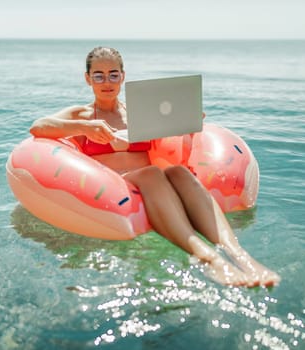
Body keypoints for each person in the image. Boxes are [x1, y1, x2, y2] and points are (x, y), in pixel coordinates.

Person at [30, 46, 280, 287]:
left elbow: (173, 147)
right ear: (88, 79)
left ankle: (239, 254)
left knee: (178, 173)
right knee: (152, 173)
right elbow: (38, 126)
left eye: (113, 74)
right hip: (113, 184)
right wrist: (86, 128)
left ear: (123, 77)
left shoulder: (139, 113)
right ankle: (206, 257)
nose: (107, 81)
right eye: (99, 75)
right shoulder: (82, 115)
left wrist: (186, 123)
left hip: (151, 180)